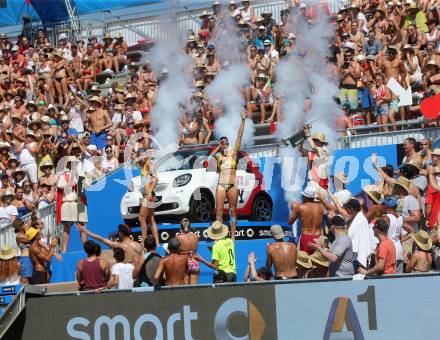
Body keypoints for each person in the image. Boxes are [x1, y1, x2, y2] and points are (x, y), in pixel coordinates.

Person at [209, 114, 246, 240]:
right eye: (222, 143)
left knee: (232, 211)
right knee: (218, 211)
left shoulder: (233, 154)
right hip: (221, 185)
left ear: (228, 143)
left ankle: (233, 236)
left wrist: (243, 120)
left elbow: (239, 135)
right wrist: (218, 147)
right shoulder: (219, 157)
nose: (224, 145)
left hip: (231, 185)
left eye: (225, 143)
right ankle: (218, 236)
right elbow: (207, 160)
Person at [76, 223, 142, 266]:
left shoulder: (119, 246)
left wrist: (85, 231)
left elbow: (101, 239)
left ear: (121, 233)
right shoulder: (138, 245)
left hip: (127, 276)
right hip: (137, 276)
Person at [288, 185, 324, 255]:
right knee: (317, 261)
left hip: (306, 237)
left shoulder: (301, 207)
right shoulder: (320, 207)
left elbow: (290, 222)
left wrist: (293, 209)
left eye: (303, 196)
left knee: (304, 262)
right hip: (318, 237)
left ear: (306, 197)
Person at [344, 198, 375, 270]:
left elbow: (352, 241)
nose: (345, 210)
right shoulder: (359, 218)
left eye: (346, 208)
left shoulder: (358, 221)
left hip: (358, 258)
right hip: (360, 256)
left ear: (351, 208)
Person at [137, 152, 159, 245]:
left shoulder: (149, 164)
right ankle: (157, 243)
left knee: (141, 218)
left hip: (149, 195)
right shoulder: (143, 165)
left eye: (143, 155)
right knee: (151, 219)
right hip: (149, 195)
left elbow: (156, 179)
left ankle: (143, 243)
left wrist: (149, 191)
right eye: (140, 156)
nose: (141, 157)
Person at [176, 217, 200, 284]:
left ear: (181, 227)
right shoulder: (196, 237)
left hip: (184, 262)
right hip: (194, 261)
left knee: (185, 289)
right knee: (194, 288)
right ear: (190, 226)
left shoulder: (178, 237)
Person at [14, 219, 32, 283]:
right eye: (24, 224)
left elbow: (30, 223)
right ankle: (21, 293)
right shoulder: (19, 236)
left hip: (29, 258)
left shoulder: (23, 232)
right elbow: (31, 239)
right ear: (20, 227)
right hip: (25, 259)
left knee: (30, 280)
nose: (25, 225)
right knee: (25, 280)